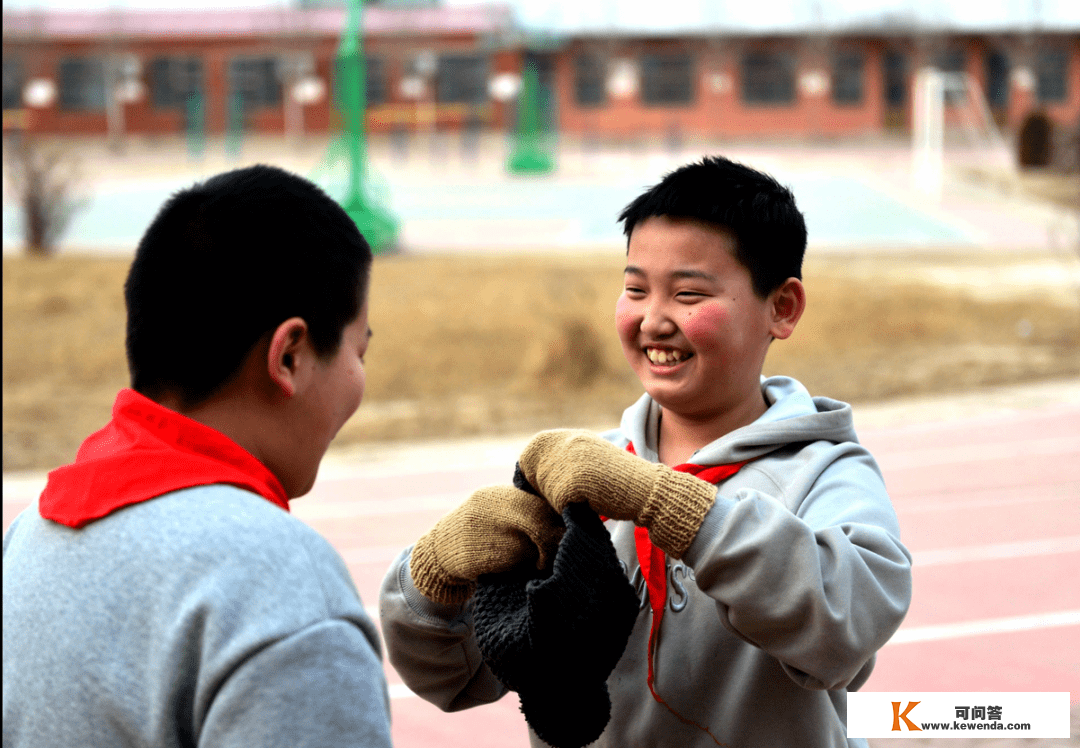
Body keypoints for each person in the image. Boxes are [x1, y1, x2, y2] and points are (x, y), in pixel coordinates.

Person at [379, 156, 913, 747]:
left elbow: (851, 623)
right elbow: (451, 677)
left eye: (688, 294)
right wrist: (436, 572)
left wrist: (667, 503)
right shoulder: (586, 480)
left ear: (781, 308)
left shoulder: (823, 470)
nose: (653, 320)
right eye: (635, 289)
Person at [3, 165, 394, 748]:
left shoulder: (28, 538)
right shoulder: (282, 591)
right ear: (289, 355)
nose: (361, 379)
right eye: (358, 352)